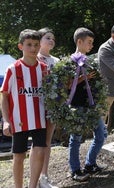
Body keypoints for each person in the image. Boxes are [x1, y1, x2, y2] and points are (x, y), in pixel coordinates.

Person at [1, 29, 47, 188]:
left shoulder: (44, 68)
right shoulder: (13, 69)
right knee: (19, 155)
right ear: (20, 46)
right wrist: (6, 121)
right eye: (29, 45)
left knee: (40, 151)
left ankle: (32, 186)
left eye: (36, 45)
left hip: (40, 118)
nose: (33, 48)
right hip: (19, 119)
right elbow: (4, 95)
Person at [68, 27, 107, 182]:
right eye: (89, 42)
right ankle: (75, 170)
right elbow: (67, 86)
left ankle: (90, 164)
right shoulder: (70, 62)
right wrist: (83, 78)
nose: (91, 46)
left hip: (92, 105)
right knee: (76, 138)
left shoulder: (90, 61)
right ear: (79, 42)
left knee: (101, 135)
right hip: (77, 105)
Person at [37, 27, 59, 188]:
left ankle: (44, 176)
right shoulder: (32, 58)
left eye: (53, 38)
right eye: (48, 38)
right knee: (38, 142)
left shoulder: (57, 61)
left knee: (47, 141)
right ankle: (35, 176)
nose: (51, 40)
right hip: (36, 105)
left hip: (52, 105)